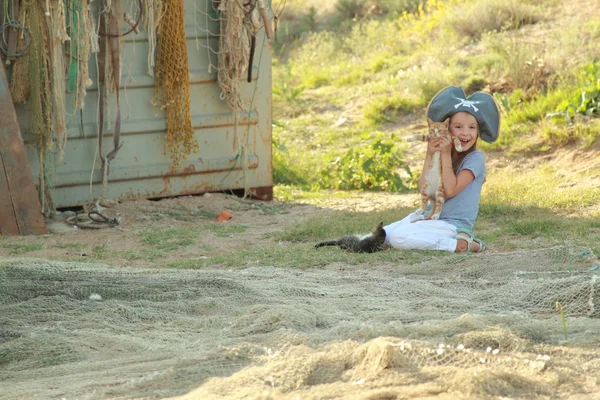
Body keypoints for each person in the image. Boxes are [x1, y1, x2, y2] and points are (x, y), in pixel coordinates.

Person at [383, 86, 501, 253]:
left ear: (478, 131)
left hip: (452, 224)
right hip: (431, 217)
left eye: (472, 127)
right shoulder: (444, 152)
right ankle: (426, 230)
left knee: (398, 238)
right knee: (381, 236)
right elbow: (425, 188)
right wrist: (430, 153)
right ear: (448, 129)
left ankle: (460, 244)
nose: (465, 133)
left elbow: (450, 190)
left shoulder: (475, 159)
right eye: (458, 127)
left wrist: (444, 153)